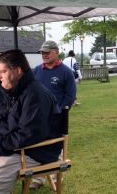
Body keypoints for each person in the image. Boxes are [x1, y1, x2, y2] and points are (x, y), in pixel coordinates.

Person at [0, 49, 63, 194]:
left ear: (18, 71)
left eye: (2, 72)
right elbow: (3, 124)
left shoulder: (36, 95)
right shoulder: (13, 92)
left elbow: (28, 136)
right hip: (12, 148)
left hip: (33, 152)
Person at [31, 40, 76, 190]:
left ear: (56, 52)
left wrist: (58, 111)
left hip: (57, 118)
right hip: (38, 117)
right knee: (36, 145)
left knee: (57, 146)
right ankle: (38, 178)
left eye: (47, 52)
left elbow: (70, 96)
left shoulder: (66, 72)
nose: (44, 55)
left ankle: (57, 177)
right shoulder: (36, 70)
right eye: (42, 52)